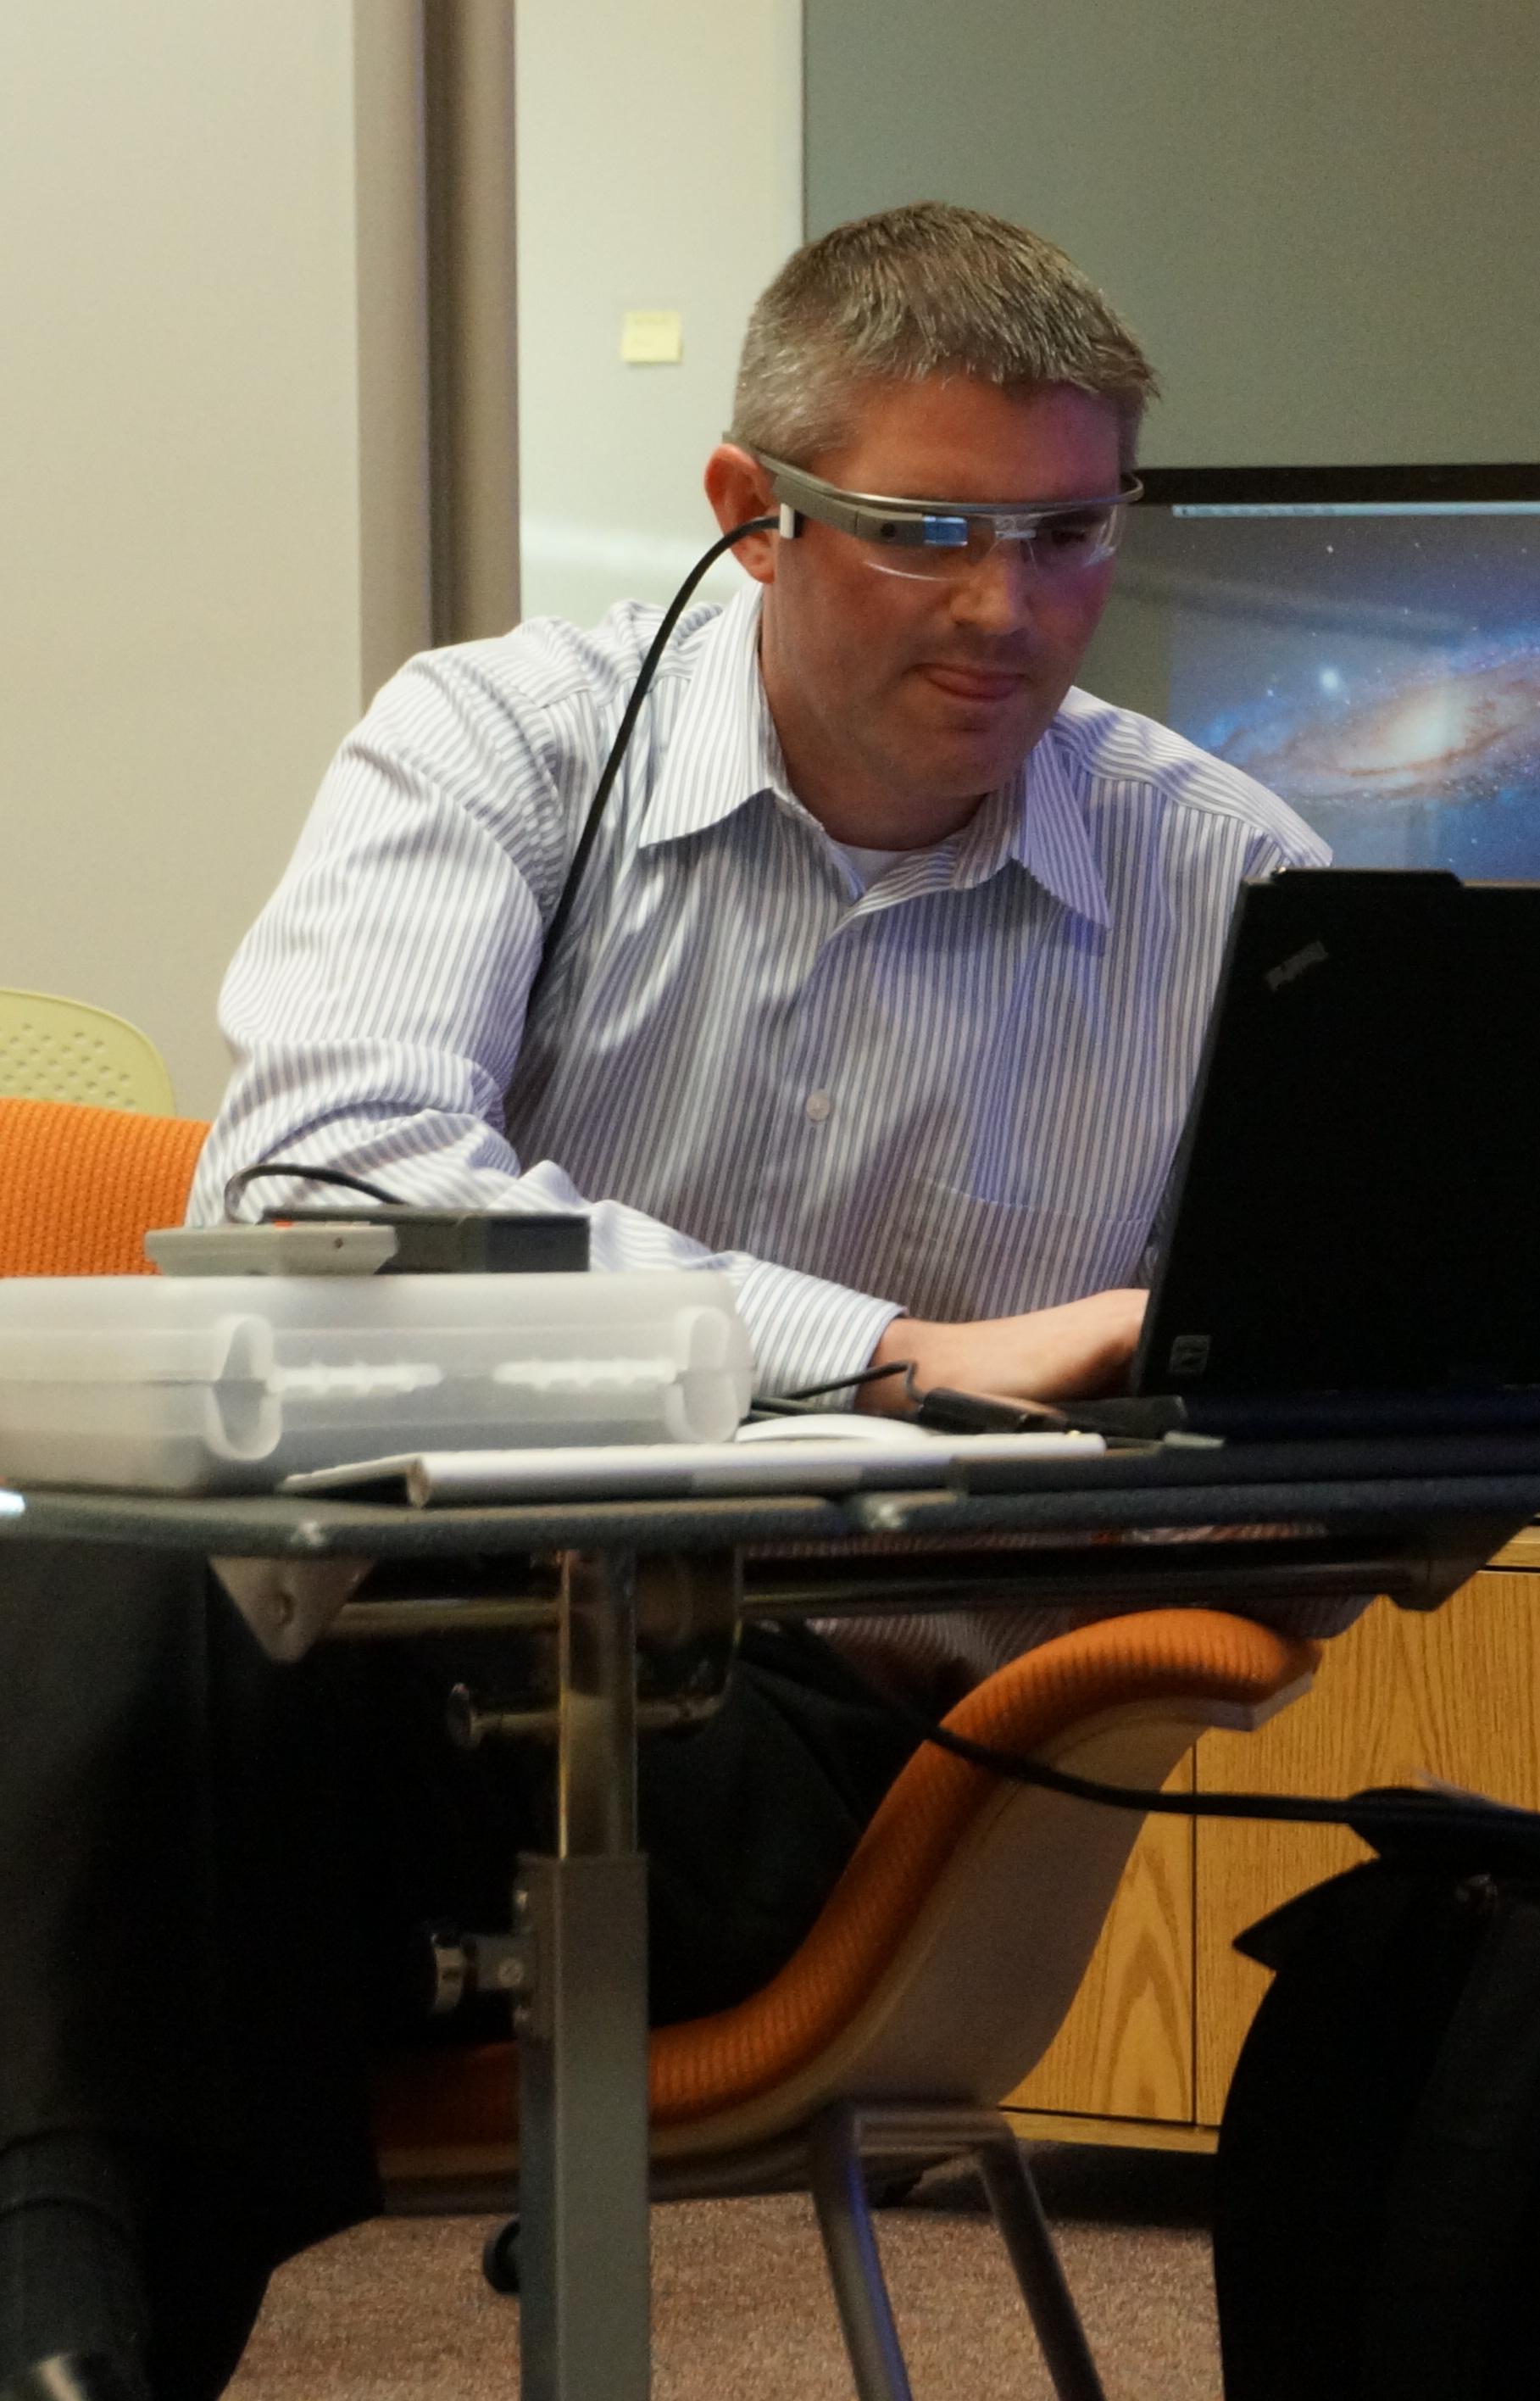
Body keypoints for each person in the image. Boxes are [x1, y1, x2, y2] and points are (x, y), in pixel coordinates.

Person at [0, 203, 1322, 2401]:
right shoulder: (501, 747)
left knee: (116, 1702)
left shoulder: (1227, 881)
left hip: (824, 1755)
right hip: (397, 1660)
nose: (1014, 610)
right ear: (749, 517)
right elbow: (325, 1174)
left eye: (1072, 534)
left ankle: (61, 2328)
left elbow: (1330, 1350)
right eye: (927, 533)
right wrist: (883, 1346)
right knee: (133, 1591)